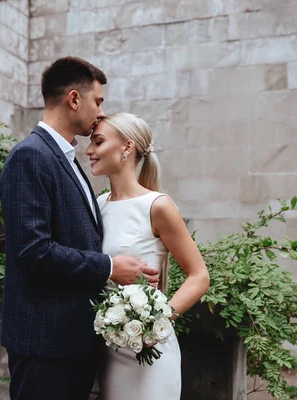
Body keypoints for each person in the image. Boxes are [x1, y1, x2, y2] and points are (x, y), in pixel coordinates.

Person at [0, 57, 161, 400]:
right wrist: (110, 267)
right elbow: (33, 251)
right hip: (44, 345)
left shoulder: (68, 160)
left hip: (74, 342)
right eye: (97, 101)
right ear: (74, 99)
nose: (101, 112)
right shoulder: (30, 156)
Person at [85, 113, 210, 399]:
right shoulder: (97, 205)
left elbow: (199, 276)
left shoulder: (157, 206)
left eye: (98, 141)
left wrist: (155, 325)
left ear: (127, 148)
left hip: (149, 352)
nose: (89, 150)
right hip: (108, 349)